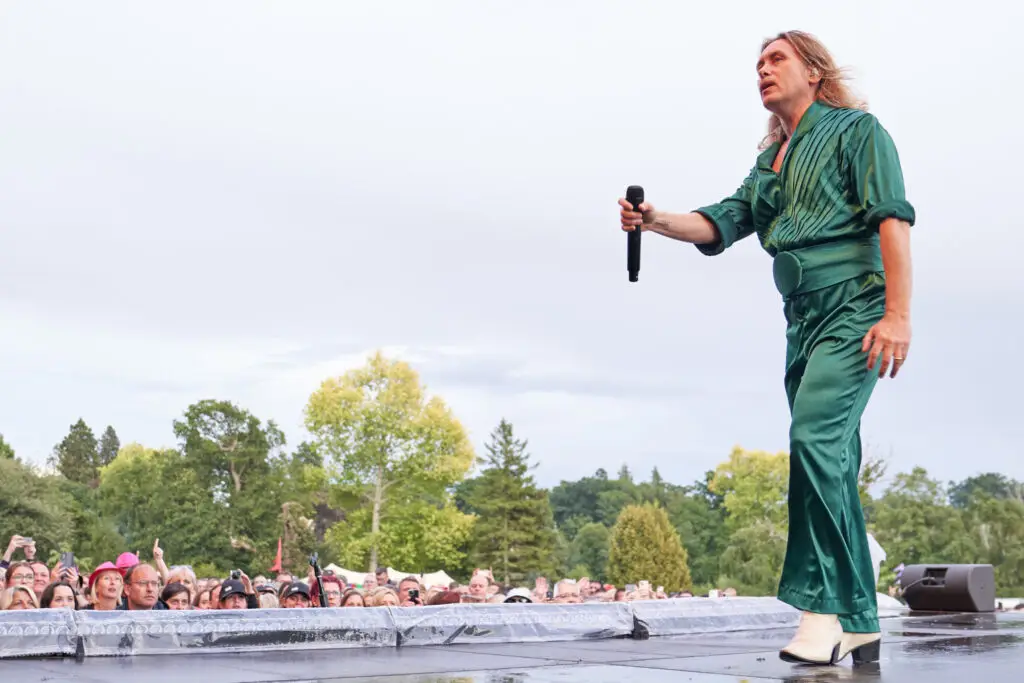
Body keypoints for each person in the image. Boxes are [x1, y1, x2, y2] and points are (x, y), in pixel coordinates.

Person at [618, 30, 915, 667]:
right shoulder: (769, 164)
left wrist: (897, 313)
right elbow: (719, 223)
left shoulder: (858, 132)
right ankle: (861, 618)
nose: (763, 70)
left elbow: (892, 218)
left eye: (776, 59)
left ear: (815, 71)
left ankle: (824, 610)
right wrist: (653, 219)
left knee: (813, 442)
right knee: (828, 459)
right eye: (757, 63)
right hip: (801, 319)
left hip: (856, 307)